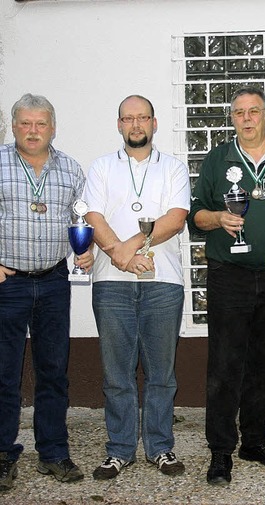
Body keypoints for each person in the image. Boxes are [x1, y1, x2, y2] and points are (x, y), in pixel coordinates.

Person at [188, 87, 265, 485]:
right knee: (224, 366)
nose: (247, 118)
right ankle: (221, 450)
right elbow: (195, 216)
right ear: (232, 118)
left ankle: (255, 440)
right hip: (229, 275)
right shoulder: (217, 159)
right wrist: (219, 218)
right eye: (239, 112)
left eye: (254, 111)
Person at [84, 95, 190, 480]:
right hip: (111, 284)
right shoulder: (100, 168)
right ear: (119, 124)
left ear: (154, 122)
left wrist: (125, 250)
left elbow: (175, 219)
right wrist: (119, 257)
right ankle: (120, 450)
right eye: (128, 118)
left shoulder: (174, 168)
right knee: (117, 373)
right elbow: (92, 216)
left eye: (142, 117)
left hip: (163, 282)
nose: (135, 125)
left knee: (162, 373)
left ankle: (160, 448)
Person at [0, 93, 91, 490]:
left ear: (53, 127)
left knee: (53, 372)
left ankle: (53, 452)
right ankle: (3, 454)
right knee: (4, 374)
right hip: (9, 284)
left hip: (54, 281)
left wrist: (84, 252)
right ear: (13, 127)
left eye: (40, 124)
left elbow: (83, 218)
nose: (33, 131)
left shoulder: (70, 169)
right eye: (25, 123)